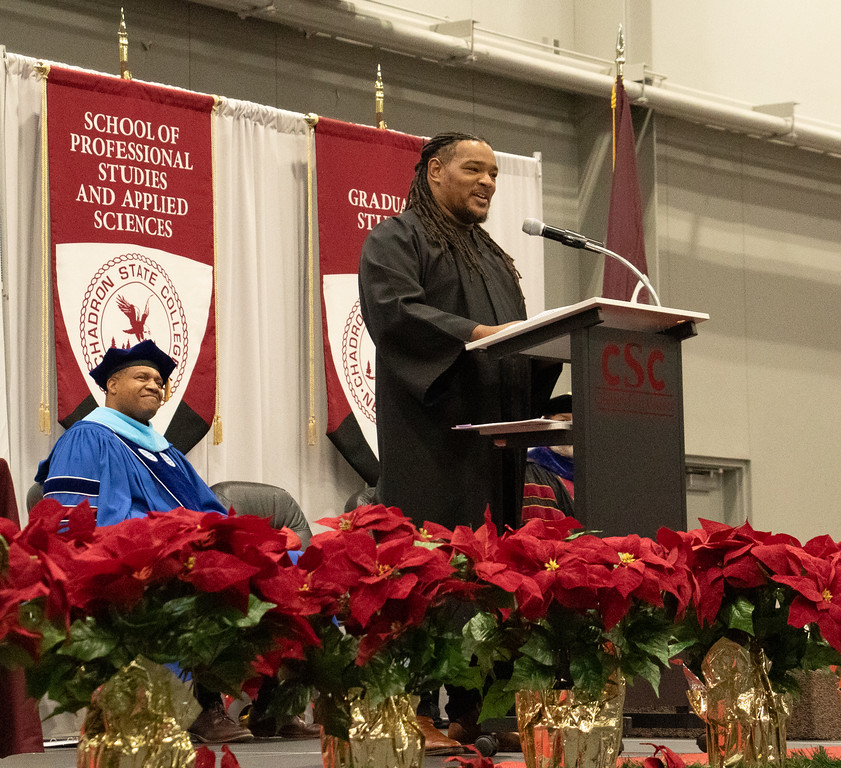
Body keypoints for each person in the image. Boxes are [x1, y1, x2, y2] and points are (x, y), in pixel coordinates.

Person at [359, 132, 559, 753]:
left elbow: (516, 338)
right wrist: (475, 332)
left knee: (488, 576)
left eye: (496, 174)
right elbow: (393, 311)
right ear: (434, 170)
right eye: (475, 169)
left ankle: (474, 711)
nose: (489, 182)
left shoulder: (493, 256)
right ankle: (414, 709)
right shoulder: (398, 238)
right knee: (430, 570)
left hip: (494, 444)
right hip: (433, 440)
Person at [35, 340, 319, 744]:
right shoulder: (88, 438)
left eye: (158, 380)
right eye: (142, 377)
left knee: (285, 562)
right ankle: (201, 708)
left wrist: (257, 540)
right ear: (111, 385)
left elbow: (207, 510)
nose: (155, 385)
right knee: (199, 576)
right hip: (129, 556)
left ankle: (273, 706)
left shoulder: (164, 451)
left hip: (180, 546)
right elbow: (67, 519)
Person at [522, 393, 575, 521]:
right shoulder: (534, 471)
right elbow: (541, 528)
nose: (572, 429)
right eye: (564, 421)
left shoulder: (591, 467)